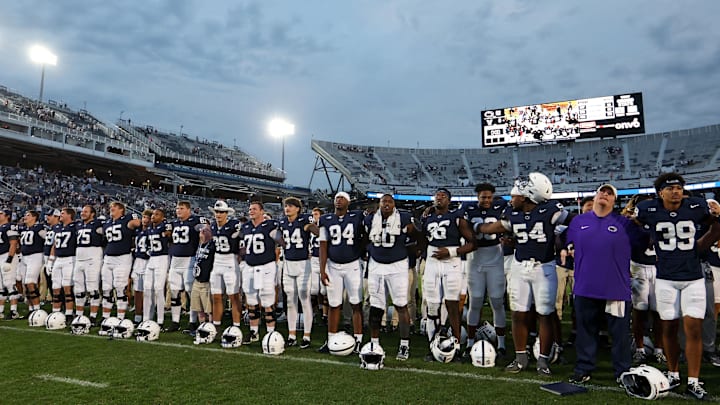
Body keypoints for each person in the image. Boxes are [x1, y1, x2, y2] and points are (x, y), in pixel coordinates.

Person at [634, 172, 720, 400]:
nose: (676, 191)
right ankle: (673, 374)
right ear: (660, 192)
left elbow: (716, 226)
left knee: (693, 329)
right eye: (670, 188)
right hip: (666, 279)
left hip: (693, 278)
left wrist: (698, 248)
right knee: (669, 329)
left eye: (679, 187)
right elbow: (633, 226)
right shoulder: (648, 210)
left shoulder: (696, 206)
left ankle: (693, 381)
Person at [475, 173, 570, 376]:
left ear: (527, 195)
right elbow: (497, 227)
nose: (511, 199)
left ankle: (543, 360)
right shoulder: (513, 213)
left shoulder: (551, 211)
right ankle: (520, 358)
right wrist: (477, 227)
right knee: (518, 313)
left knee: (545, 314)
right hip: (520, 267)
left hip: (544, 267)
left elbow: (574, 223)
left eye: (515, 195)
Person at [566, 184, 639, 384]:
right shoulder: (578, 221)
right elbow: (567, 243)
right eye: (602, 192)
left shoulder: (624, 223)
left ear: (614, 201)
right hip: (585, 286)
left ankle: (622, 371)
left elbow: (643, 243)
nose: (605, 195)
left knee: (620, 335)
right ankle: (583, 368)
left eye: (610, 194)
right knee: (585, 331)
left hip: (616, 288)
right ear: (596, 196)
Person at [420, 187, 475, 362]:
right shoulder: (427, 218)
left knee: (452, 306)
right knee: (432, 306)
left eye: (443, 196)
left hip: (451, 262)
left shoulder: (456, 218)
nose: (439, 198)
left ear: (449, 201)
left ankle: (457, 346)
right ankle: (432, 345)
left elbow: (473, 243)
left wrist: (452, 252)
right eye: (437, 196)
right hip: (432, 262)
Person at [364, 194, 418, 360]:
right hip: (376, 265)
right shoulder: (370, 219)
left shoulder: (405, 217)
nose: (386, 204)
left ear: (394, 204)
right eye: (383, 201)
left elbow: (416, 237)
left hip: (397, 265)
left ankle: (404, 344)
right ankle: (374, 342)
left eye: (389, 201)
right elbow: (365, 239)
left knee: (401, 305)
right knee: (376, 306)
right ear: (379, 204)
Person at [461, 183, 508, 357]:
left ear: (493, 196)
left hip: (495, 258)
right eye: (483, 197)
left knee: (497, 301)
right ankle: (471, 343)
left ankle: (502, 344)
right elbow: (457, 221)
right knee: (475, 302)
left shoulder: (501, 205)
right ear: (477, 197)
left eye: (489, 197)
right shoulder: (468, 208)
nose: (486, 200)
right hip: (475, 258)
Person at [318, 192, 367, 353]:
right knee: (333, 304)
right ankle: (331, 338)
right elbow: (323, 246)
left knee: (356, 303)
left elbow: (365, 235)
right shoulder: (326, 220)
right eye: (336, 198)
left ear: (348, 202)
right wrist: (322, 269)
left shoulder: (357, 216)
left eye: (342, 198)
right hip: (333, 266)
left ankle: (358, 339)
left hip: (352, 265)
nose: (338, 200)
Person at [622, 194, 665, 365]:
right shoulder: (629, 224)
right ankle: (639, 348)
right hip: (638, 267)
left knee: (659, 313)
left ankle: (659, 349)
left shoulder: (661, 220)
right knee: (639, 312)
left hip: (658, 269)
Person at [278, 197, 319, 349]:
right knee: (290, 300)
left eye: (290, 206)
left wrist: (311, 227)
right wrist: (282, 243)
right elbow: (276, 235)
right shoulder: (282, 222)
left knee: (304, 298)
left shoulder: (304, 219)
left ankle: (307, 335)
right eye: (286, 206)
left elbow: (315, 230)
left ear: (297, 208)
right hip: (288, 263)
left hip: (303, 264)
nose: (287, 208)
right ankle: (292, 334)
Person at [240, 201, 281, 344]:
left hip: (266, 266)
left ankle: (271, 333)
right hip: (250, 266)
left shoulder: (271, 225)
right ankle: (254, 332)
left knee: (267, 300)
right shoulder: (245, 227)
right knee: (251, 300)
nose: (251, 211)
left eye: (254, 209)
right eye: (250, 209)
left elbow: (282, 240)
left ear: (262, 211)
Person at [169, 201, 207, 332]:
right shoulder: (174, 223)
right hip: (175, 260)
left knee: (191, 292)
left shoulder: (195, 220)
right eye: (177, 208)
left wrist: (201, 230)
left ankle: (193, 321)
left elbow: (206, 229)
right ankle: (175, 321)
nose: (178, 210)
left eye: (181, 208)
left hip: (189, 260)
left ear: (188, 210)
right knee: (174, 292)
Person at [100, 202, 141, 321]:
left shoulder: (127, 219)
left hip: (123, 257)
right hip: (108, 257)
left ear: (121, 210)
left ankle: (120, 317)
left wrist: (131, 225)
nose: (111, 208)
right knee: (106, 288)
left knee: (120, 288)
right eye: (110, 207)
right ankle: (105, 317)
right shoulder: (107, 223)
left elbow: (137, 223)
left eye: (114, 207)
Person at [209, 200, 242, 330]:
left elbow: (243, 237)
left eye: (221, 212)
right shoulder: (212, 226)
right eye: (217, 212)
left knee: (233, 296)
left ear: (226, 213)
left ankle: (236, 326)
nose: (218, 214)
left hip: (230, 261)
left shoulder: (234, 225)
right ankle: (216, 325)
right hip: (217, 261)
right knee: (216, 296)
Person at [73, 205, 105, 324]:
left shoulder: (98, 224)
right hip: (79, 257)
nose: (83, 213)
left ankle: (93, 316)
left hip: (93, 256)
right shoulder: (79, 225)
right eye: (82, 211)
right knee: (78, 289)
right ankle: (79, 315)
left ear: (93, 214)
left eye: (86, 212)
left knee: (92, 288)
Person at [143, 208, 172, 326]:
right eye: (153, 214)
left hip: (162, 257)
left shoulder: (165, 225)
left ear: (162, 217)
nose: (153, 216)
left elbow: (169, 234)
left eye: (157, 214)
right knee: (147, 289)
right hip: (152, 258)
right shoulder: (150, 228)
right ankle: (146, 318)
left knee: (159, 289)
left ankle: (160, 320)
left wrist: (165, 234)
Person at [48, 207, 78, 322]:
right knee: (55, 287)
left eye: (62, 213)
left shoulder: (75, 227)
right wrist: (51, 260)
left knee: (67, 287)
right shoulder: (57, 228)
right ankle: (56, 312)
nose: (60, 215)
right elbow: (54, 244)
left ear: (69, 215)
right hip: (58, 259)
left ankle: (69, 313)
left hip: (70, 258)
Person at [18, 210, 46, 313]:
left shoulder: (39, 228)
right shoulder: (24, 229)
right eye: (25, 215)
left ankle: (37, 308)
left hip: (36, 256)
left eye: (28, 215)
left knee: (31, 283)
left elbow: (48, 239)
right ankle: (31, 309)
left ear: (34, 218)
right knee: (25, 284)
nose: (25, 217)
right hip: (25, 257)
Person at [190, 225, 214, 327]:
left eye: (203, 232)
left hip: (206, 281)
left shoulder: (212, 245)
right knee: (198, 308)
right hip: (196, 280)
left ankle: (210, 327)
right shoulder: (200, 245)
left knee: (209, 309)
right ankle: (202, 326)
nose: (201, 234)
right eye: (200, 232)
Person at [131, 210, 151, 325]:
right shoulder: (137, 230)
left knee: (147, 291)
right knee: (137, 291)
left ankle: (147, 315)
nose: (145, 219)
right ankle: (138, 316)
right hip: (138, 261)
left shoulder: (152, 231)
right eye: (143, 217)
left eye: (147, 217)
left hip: (148, 261)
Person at [0, 209, 21, 320]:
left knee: (9, 284)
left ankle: (14, 311)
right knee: (0, 286)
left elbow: (13, 243)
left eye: (1, 214)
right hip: (0, 256)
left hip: (7, 256)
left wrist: (9, 259)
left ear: (7, 216)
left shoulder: (10, 226)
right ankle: (1, 311)